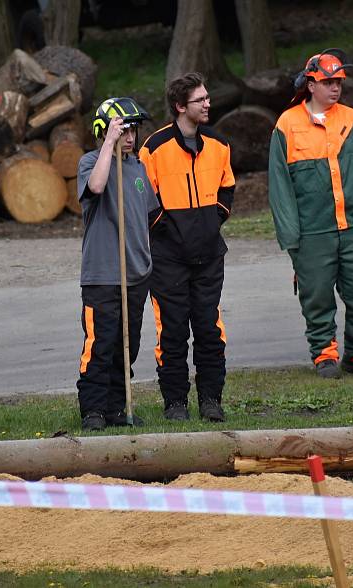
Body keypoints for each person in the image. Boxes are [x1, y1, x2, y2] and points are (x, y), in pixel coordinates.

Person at [268, 49, 353, 379]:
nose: (335, 88)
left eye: (339, 82)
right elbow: (280, 188)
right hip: (312, 231)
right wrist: (292, 236)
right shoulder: (287, 125)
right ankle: (324, 355)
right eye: (328, 82)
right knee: (317, 297)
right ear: (310, 85)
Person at [139, 72, 235, 422]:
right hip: (168, 259)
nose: (208, 103)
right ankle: (175, 402)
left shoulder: (220, 144)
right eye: (200, 99)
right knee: (174, 330)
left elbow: (227, 189)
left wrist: (212, 223)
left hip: (210, 255)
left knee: (209, 329)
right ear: (181, 106)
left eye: (208, 98)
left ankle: (211, 399)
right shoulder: (153, 148)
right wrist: (169, 231)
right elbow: (145, 200)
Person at [76, 97, 161, 431]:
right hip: (103, 275)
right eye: (123, 130)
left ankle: (116, 407)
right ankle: (93, 410)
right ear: (105, 130)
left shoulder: (138, 168)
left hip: (136, 274)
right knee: (101, 343)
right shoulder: (91, 162)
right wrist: (108, 144)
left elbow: (149, 216)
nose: (130, 137)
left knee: (128, 346)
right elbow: (96, 187)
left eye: (133, 131)